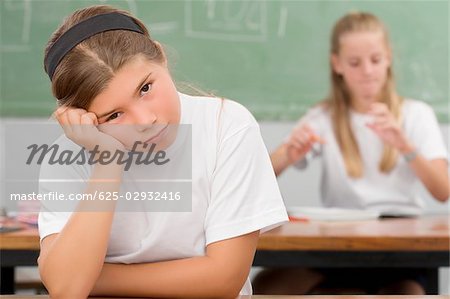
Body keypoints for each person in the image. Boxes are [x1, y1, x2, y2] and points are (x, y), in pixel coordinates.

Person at [37, 5, 288, 298]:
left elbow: (224, 279)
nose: (146, 121)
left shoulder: (226, 125)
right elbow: (67, 289)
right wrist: (107, 161)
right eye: (114, 116)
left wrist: (96, 278)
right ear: (86, 119)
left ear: (161, 55)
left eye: (145, 88)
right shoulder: (68, 153)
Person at [253, 11, 449, 295]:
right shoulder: (323, 117)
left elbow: (443, 191)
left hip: (400, 246)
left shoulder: (416, 114)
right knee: (264, 285)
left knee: (407, 292)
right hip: (340, 244)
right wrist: (288, 153)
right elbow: (259, 179)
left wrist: (404, 145)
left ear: (389, 58)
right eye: (355, 63)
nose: (367, 71)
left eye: (376, 60)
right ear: (337, 64)